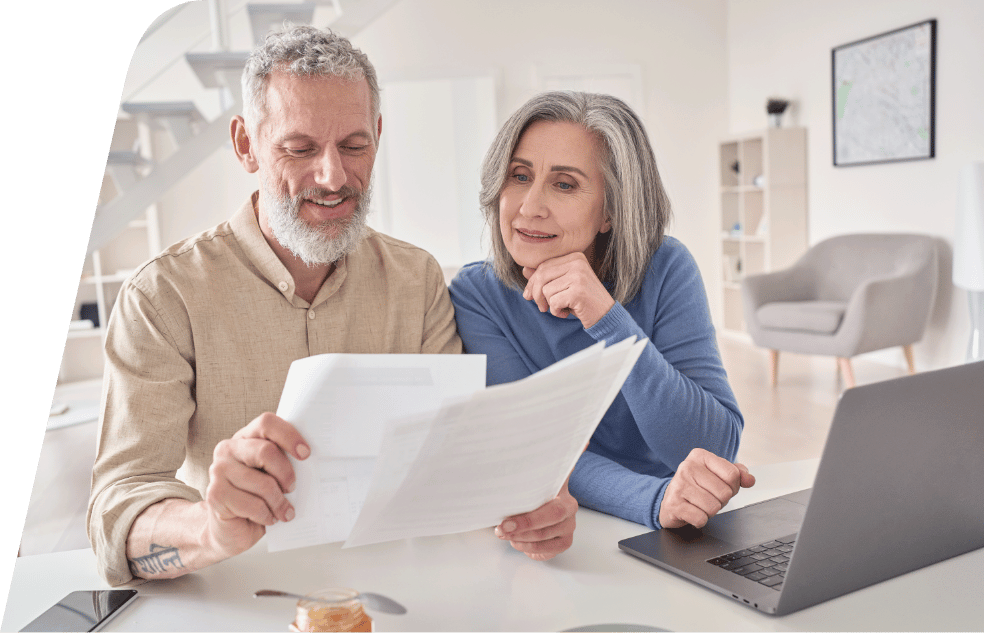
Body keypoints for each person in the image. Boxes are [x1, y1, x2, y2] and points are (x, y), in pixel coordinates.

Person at [87, 26, 571, 587]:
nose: (334, 177)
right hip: (237, 598)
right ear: (245, 145)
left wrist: (530, 500)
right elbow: (118, 507)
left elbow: (457, 458)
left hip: (403, 594)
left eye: (354, 145)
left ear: (379, 136)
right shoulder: (163, 296)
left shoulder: (417, 280)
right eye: (299, 148)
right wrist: (209, 528)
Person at [448, 91, 756, 536]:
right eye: (519, 176)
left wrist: (608, 320)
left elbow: (713, 445)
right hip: (560, 523)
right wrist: (653, 500)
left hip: (674, 524)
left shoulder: (667, 268)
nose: (529, 206)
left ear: (610, 210)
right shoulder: (477, 294)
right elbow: (533, 448)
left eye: (565, 184)